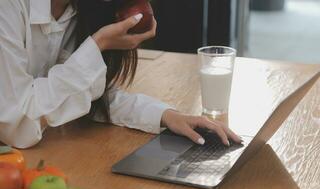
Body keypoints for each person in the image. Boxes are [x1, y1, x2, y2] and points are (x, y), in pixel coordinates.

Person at [0, 0, 241, 149]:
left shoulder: (78, 9)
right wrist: (97, 44)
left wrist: (166, 116)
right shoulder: (8, 8)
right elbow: (16, 127)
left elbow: (92, 97)